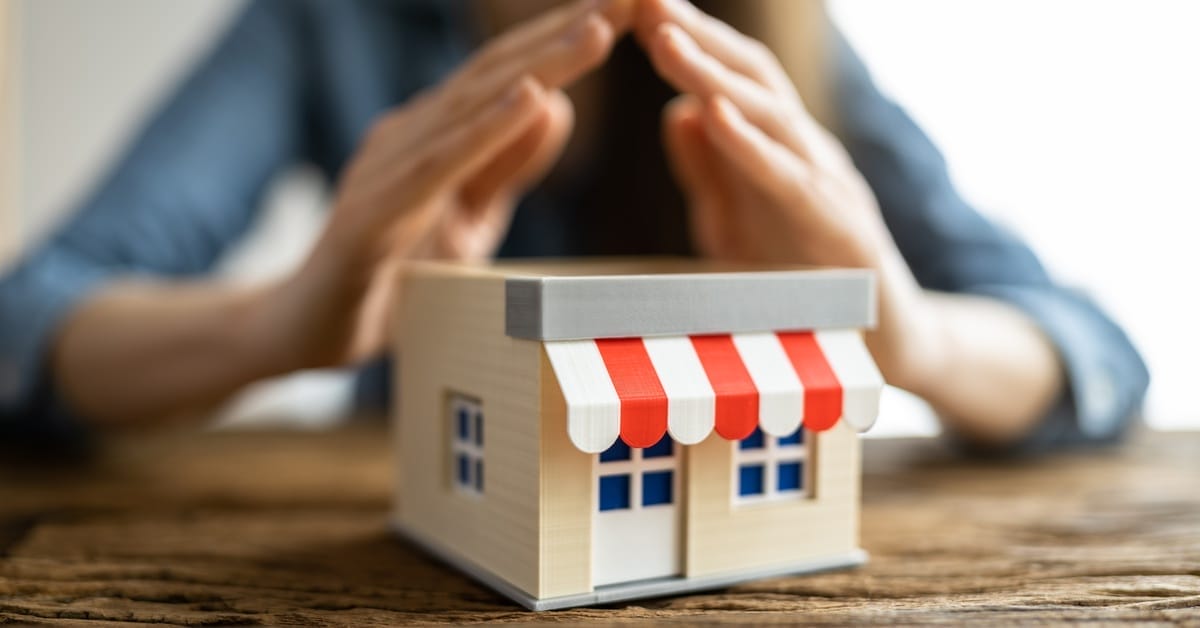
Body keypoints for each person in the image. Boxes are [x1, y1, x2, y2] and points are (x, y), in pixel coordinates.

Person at [0, 0, 1147, 453]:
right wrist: (286, 322)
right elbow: (33, 310)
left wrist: (910, 337)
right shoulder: (327, 22)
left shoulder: (767, 41)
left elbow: (1091, 349)